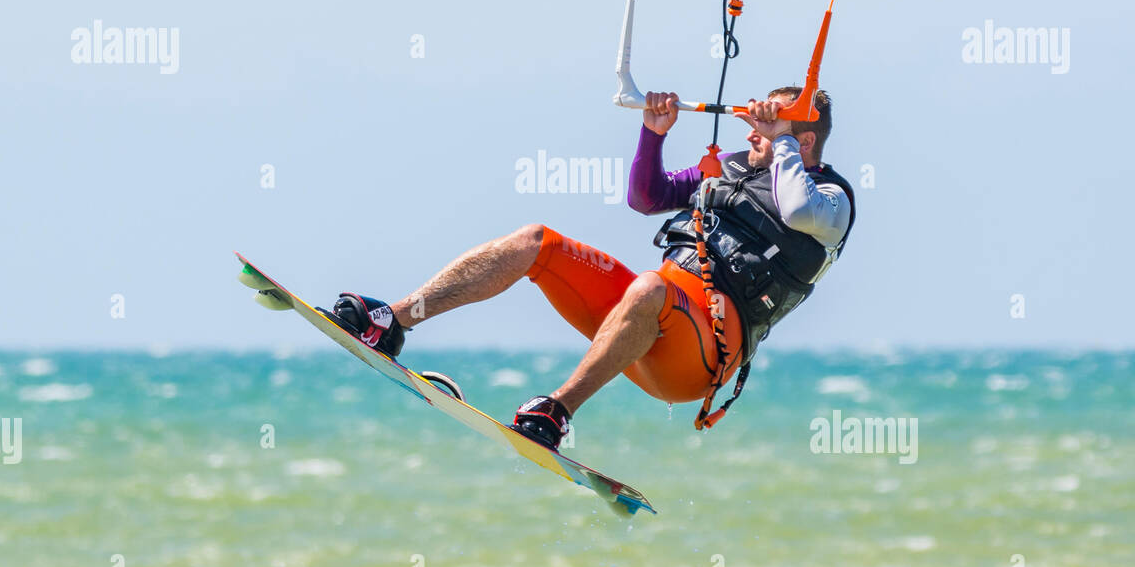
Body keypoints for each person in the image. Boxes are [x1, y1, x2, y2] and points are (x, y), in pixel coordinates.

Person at [326, 85, 854, 451]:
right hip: (641, 314)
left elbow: (798, 210)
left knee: (649, 288)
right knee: (536, 242)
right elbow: (647, 198)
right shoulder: (733, 165)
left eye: (773, 122)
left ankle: (555, 414)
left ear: (804, 141)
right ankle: (393, 321)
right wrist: (654, 133)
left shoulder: (832, 200)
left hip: (696, 356)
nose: (754, 126)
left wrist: (782, 140)